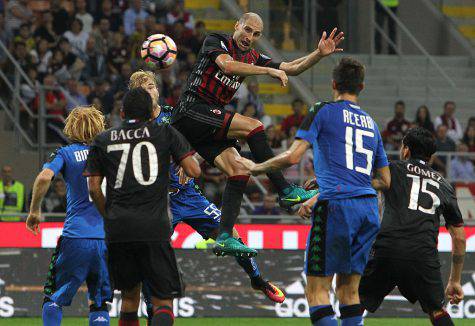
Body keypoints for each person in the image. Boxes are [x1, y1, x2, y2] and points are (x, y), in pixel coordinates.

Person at [172, 12, 343, 256]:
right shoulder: (217, 40)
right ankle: (285, 191)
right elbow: (226, 65)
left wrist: (318, 54)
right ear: (237, 26)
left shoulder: (253, 57)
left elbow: (292, 68)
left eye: (256, 34)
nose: (249, 36)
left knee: (239, 168)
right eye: (247, 30)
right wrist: (267, 72)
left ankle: (223, 236)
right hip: (191, 109)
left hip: (207, 123)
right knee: (254, 125)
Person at [238, 57, 391, 326]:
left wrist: (257, 166)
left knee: (318, 291)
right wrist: (343, 185)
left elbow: (293, 156)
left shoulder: (322, 110)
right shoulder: (371, 123)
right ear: (362, 87)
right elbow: (384, 180)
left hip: (336, 209)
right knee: (349, 291)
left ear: (333, 83)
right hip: (368, 210)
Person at [128, 71, 286, 315]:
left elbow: (203, 141)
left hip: (189, 196)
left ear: (158, 90)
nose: (150, 91)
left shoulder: (176, 116)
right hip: (157, 203)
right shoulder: (133, 129)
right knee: (151, 259)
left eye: (152, 86)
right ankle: (152, 311)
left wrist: (193, 158)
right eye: (143, 89)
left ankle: (257, 279)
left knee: (230, 234)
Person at [85, 88, 200, 326]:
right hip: (153, 226)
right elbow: (193, 170)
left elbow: (94, 188)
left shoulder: (103, 139)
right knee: (163, 302)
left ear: (122, 111)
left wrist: (108, 214)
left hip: (118, 228)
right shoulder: (164, 132)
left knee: (128, 299)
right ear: (151, 113)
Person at [359, 127, 466, 326]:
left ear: (405, 150)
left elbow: (359, 182)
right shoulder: (444, 185)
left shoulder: (391, 170)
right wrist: (455, 280)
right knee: (437, 311)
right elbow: (459, 236)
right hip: (422, 254)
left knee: (355, 302)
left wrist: (325, 185)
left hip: (387, 248)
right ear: (431, 156)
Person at [26, 106, 111, 326]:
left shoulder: (65, 153)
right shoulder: (111, 152)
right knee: (99, 303)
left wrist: (35, 210)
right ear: (99, 126)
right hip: (108, 238)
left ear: (71, 127)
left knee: (53, 298)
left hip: (76, 236)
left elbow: (45, 178)